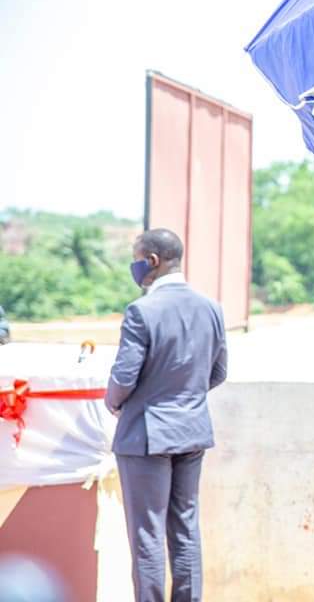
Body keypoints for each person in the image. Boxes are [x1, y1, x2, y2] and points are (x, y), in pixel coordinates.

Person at [106, 229, 227, 602]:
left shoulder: (142, 311)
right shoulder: (211, 308)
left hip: (146, 436)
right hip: (192, 430)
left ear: (152, 261)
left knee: (147, 534)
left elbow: (123, 378)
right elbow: (218, 372)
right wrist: (184, 397)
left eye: (136, 258)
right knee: (186, 529)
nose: (135, 266)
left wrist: (115, 403)